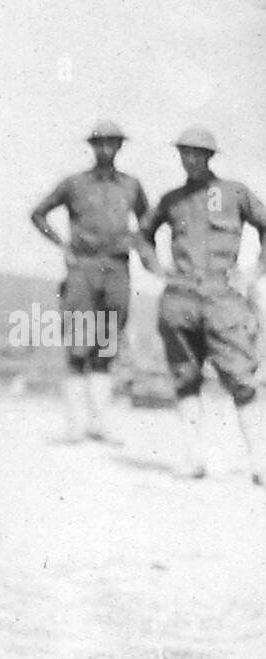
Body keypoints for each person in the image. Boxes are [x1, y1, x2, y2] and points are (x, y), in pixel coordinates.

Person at [136, 127, 266, 482]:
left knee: (241, 379)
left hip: (224, 299)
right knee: (185, 378)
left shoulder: (234, 193)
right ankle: (194, 459)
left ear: (210, 156)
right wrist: (157, 269)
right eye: (185, 152)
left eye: (199, 153)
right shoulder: (171, 200)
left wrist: (255, 272)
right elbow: (142, 236)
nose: (191, 159)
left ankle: (260, 464)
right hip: (180, 300)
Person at [31, 120, 149, 443]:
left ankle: (100, 424)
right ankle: (74, 426)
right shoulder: (74, 184)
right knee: (78, 348)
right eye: (99, 143)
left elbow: (148, 222)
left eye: (112, 143)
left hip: (116, 270)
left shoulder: (132, 186)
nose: (105, 149)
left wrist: (137, 245)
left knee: (107, 346)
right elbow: (38, 214)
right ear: (92, 147)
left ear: (120, 147)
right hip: (82, 269)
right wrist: (62, 245)